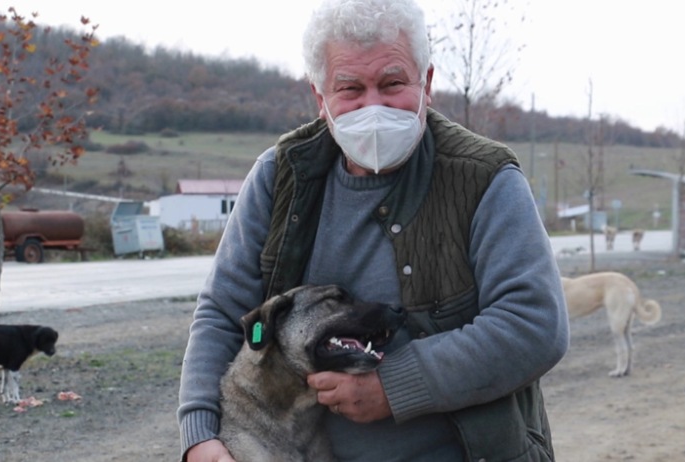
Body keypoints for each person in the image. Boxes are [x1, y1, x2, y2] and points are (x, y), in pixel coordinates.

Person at [177, 0, 569, 460]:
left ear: (426, 83)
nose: (374, 106)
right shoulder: (279, 176)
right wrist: (200, 432)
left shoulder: (486, 179)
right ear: (320, 98)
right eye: (350, 89)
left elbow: (534, 325)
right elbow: (224, 312)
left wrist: (396, 385)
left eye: (392, 83)